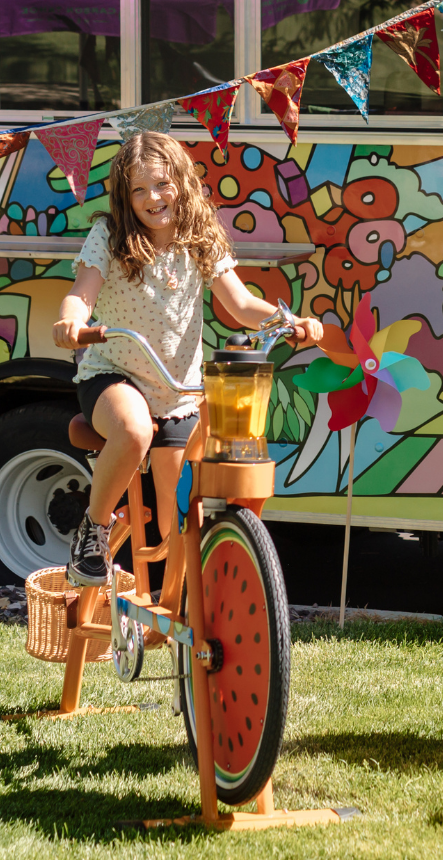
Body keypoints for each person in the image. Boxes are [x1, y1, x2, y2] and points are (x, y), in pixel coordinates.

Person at [51, 131, 325, 586]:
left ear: (180, 179)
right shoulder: (111, 234)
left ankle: (181, 616)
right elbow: (81, 295)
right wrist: (69, 322)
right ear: (124, 198)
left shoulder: (200, 235)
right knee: (135, 430)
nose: (152, 198)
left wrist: (288, 320)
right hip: (114, 376)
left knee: (179, 520)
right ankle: (92, 532)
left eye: (160, 184)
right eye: (138, 190)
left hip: (177, 392)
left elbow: (240, 304)